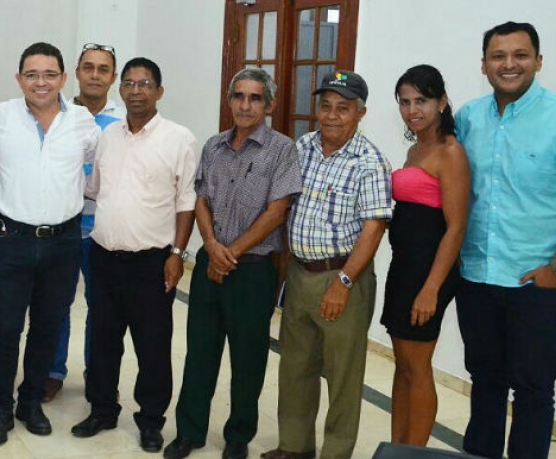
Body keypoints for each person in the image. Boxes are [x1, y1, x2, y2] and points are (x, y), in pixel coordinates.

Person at [454, 22, 556, 459]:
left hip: (537, 284)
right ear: (483, 65)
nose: (509, 64)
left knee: (534, 390)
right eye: (498, 56)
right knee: (484, 381)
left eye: (520, 55)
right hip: (478, 278)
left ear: (538, 61)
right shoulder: (469, 117)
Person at [165, 68, 300, 459]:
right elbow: (201, 198)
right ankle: (189, 431)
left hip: (253, 269)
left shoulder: (282, 150)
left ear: (269, 104)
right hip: (211, 262)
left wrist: (232, 252)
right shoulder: (213, 146)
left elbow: (277, 211)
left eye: (255, 98)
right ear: (229, 100)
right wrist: (210, 244)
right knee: (200, 352)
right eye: (238, 96)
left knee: (248, 358)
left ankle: (238, 436)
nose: (245, 105)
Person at [0, 42, 100, 446]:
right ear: (19, 79)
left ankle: (30, 402)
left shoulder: (82, 121)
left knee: (48, 325)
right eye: (32, 74)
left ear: (63, 78)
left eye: (49, 74)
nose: (40, 82)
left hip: (64, 241)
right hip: (12, 240)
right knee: (6, 329)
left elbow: (98, 168)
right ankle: (0, 408)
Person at [261, 70, 392, 459]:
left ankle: (335, 453)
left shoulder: (370, 162)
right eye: (326, 106)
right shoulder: (303, 147)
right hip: (301, 273)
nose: (332, 115)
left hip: (342, 278)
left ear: (361, 112)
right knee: (296, 367)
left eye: (344, 108)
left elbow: (373, 229)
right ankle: (295, 446)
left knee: (343, 376)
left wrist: (345, 282)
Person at [70, 57, 196, 453]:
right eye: (129, 84)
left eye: (145, 84)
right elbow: (95, 188)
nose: (136, 91)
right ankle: (102, 410)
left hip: (152, 262)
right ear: (119, 91)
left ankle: (151, 420)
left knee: (153, 346)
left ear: (159, 91)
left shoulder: (179, 139)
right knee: (104, 340)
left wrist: (177, 253)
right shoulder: (108, 136)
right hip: (104, 256)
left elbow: (187, 202)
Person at [382, 65, 468, 447]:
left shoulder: (450, 152)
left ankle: (413, 454)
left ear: (442, 102)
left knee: (417, 369)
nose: (412, 109)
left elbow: (456, 227)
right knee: (402, 368)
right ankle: (398, 448)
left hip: (428, 274)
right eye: (405, 101)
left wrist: (431, 288)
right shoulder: (416, 149)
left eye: (422, 100)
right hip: (404, 268)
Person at [46, 42, 121, 403]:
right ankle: (51, 371)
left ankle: (97, 373)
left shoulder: (122, 123)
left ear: (113, 77)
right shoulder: (52, 114)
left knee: (101, 307)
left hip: (101, 231)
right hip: (58, 227)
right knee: (55, 303)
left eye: (103, 69)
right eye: (88, 67)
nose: (95, 75)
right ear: (75, 73)